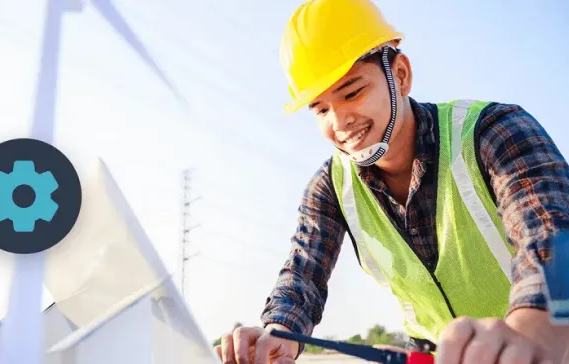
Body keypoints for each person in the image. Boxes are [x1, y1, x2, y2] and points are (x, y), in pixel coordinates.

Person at [214, 0, 569, 363]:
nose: (339, 122)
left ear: (400, 74)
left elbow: (551, 233)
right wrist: (277, 333)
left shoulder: (492, 131)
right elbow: (303, 275)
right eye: (320, 109)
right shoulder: (331, 188)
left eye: (352, 92)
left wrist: (534, 329)